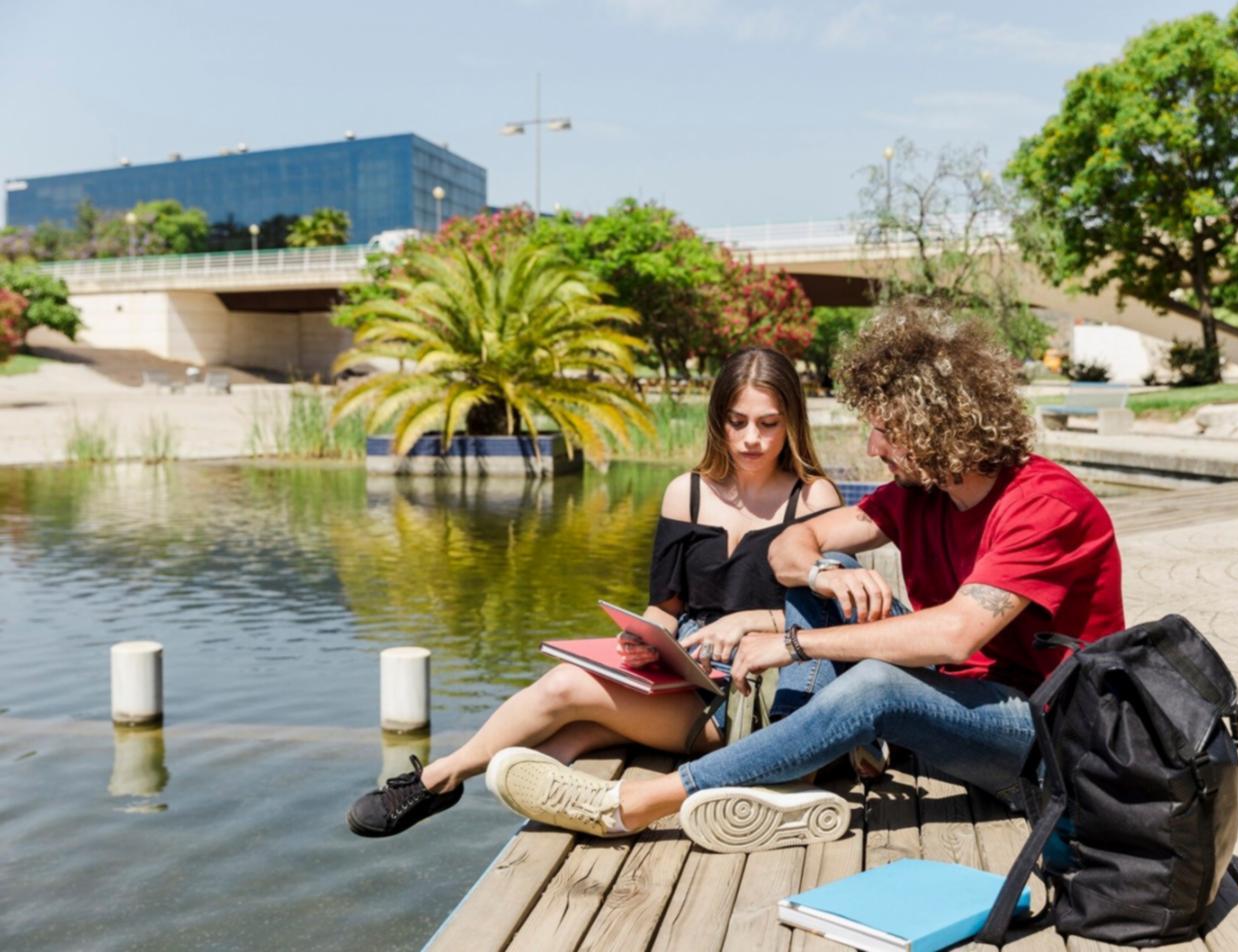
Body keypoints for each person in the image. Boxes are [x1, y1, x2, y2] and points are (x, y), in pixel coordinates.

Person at [484, 302, 1127, 853]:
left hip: (1045, 739)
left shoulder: (1046, 504)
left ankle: (634, 806)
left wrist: (792, 644)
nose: (873, 448)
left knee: (875, 683)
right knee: (840, 574)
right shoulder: (918, 495)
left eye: (885, 431)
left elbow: (956, 636)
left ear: (937, 428)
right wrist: (822, 574)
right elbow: (795, 545)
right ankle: (791, 771)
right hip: (960, 709)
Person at [346, 347, 842, 837]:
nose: (751, 438)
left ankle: (439, 778)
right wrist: (646, 638)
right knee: (569, 735)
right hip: (688, 677)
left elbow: (831, 621)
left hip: (762, 697)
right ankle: (531, 788)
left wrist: (750, 620)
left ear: (791, 422)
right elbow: (666, 606)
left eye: (768, 423)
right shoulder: (686, 492)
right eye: (737, 422)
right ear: (718, 420)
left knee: (568, 690)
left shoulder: (814, 497)